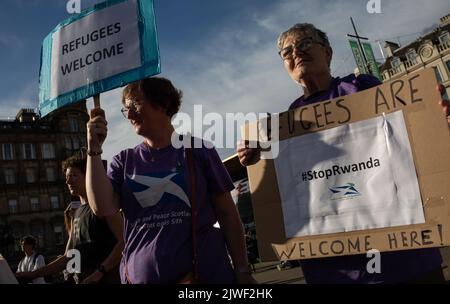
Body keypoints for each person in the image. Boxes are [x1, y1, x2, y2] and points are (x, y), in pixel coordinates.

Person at [237, 23, 448, 284]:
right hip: (336, 270)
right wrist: (254, 156)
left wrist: (433, 119)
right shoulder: (284, 123)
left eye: (305, 44)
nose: (296, 53)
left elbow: (412, 135)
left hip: (403, 260)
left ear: (328, 53)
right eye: (287, 52)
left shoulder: (362, 87)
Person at [86, 77, 255, 284]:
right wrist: (94, 148)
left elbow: (227, 213)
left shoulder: (199, 151)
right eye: (125, 109)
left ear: (163, 103)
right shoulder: (124, 160)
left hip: (203, 276)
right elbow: (102, 208)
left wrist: (242, 270)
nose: (129, 114)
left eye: (135, 105)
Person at [16, 155, 124, 284]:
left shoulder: (103, 205)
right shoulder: (76, 214)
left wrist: (99, 272)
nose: (68, 181)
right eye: (67, 177)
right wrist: (32, 274)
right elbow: (69, 256)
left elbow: (124, 242)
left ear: (88, 176)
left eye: (73, 176)